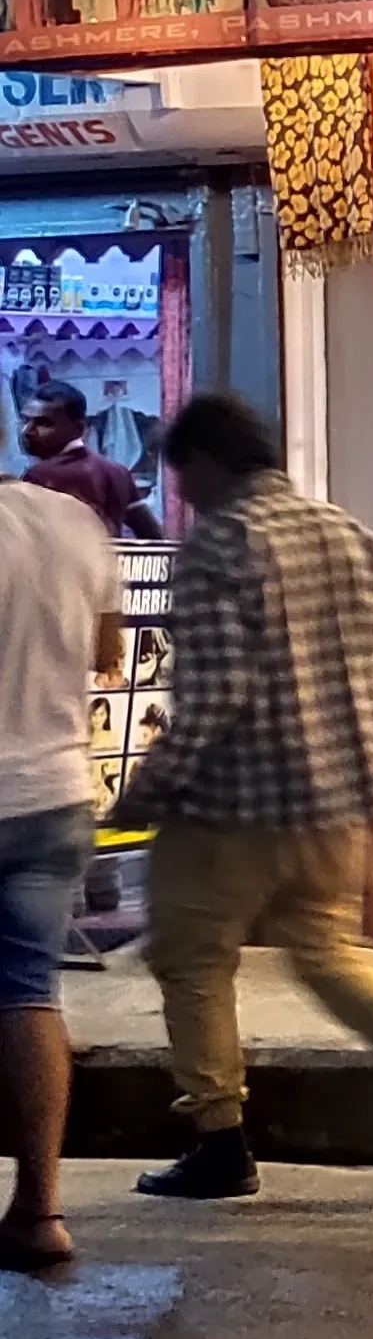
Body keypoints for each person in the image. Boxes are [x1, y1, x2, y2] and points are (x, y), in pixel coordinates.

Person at [116, 393, 373, 1202]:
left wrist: (147, 790)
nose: (183, 493)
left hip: (232, 807)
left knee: (191, 961)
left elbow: (216, 694)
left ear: (205, 463)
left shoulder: (220, 546)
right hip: (340, 795)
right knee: (326, 945)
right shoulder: (348, 534)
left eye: (182, 476)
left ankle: (218, 1139)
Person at [0, 475, 118, 1263]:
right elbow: (109, 653)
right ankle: (41, 1211)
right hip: (55, 792)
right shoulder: (74, 521)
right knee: (29, 994)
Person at [22, 382, 157, 541]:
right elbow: (154, 537)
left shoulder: (39, 477)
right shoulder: (117, 472)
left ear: (78, 429)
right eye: (25, 420)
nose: (28, 431)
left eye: (44, 423)